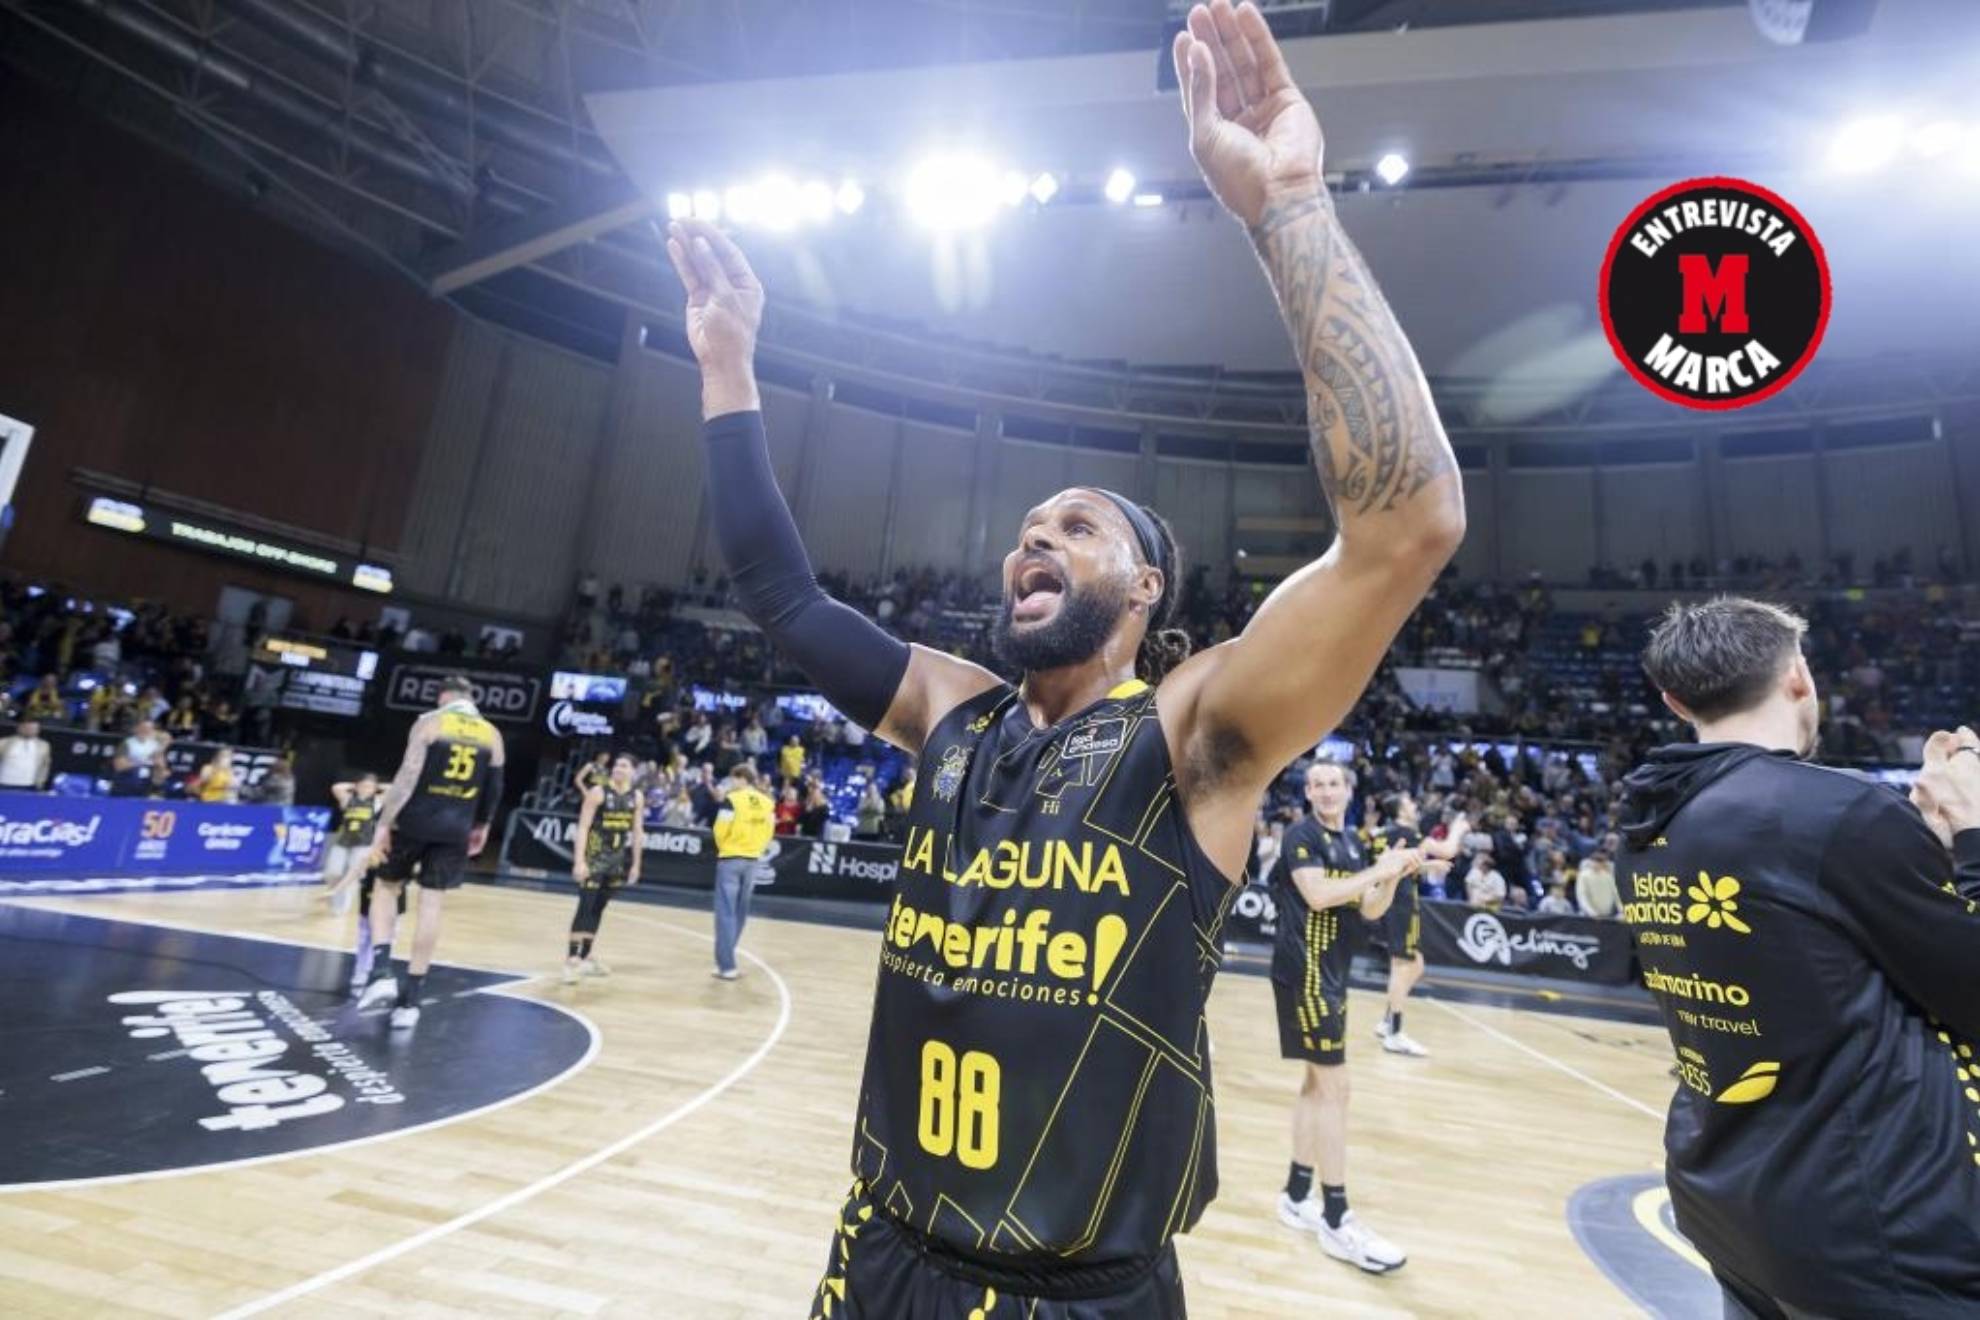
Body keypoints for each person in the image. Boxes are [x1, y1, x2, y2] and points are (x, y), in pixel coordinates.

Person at [668, 0, 1464, 1303]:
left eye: (1078, 529)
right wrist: (727, 366)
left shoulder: (1195, 735)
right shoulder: (953, 709)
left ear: (1148, 586)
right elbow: (778, 589)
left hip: (1076, 1289)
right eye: (1027, 530)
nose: (1033, 542)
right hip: (877, 1260)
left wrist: (1289, 209)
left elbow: (1407, 523)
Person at [1618, 598, 1980, 1317]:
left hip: (1731, 1203)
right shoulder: (1839, 811)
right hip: (1872, 1230)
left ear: (1675, 699)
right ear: (1798, 675)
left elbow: (1817, 958)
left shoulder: (1645, 826)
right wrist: (1972, 835)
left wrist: (1921, 857)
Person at [1269, 760, 1421, 1272]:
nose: (1326, 790)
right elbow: (1318, 895)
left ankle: (1295, 1195)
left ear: (1348, 790)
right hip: (1304, 972)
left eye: (1334, 783)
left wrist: (1393, 877)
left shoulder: (1354, 843)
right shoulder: (1301, 837)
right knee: (1337, 1089)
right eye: (1317, 784)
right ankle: (1336, 1218)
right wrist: (1378, 870)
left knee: (1316, 1087)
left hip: (1333, 975)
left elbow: (1369, 910)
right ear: (1308, 792)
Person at [358, 675, 506, 1028]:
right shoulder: (492, 735)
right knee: (431, 904)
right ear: (472, 699)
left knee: (386, 887)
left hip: (414, 822)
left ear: (444, 696)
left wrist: (383, 822)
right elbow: (495, 787)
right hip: (456, 828)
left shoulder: (430, 722)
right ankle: (411, 1002)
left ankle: (380, 973)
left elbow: (408, 775)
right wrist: (482, 826)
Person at [1365, 793, 1464, 1058]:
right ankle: (1394, 1033)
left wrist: (1430, 864)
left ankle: (1387, 1022)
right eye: (1409, 802)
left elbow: (1397, 868)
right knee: (1403, 965)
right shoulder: (1407, 832)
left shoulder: (1386, 834)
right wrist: (1458, 828)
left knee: (1415, 963)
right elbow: (1449, 849)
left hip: (1389, 900)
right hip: (1401, 903)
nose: (1414, 805)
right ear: (1400, 810)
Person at [565, 751, 644, 984]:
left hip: (617, 861)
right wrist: (579, 861)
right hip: (594, 858)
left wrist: (636, 864)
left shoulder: (637, 797)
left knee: (599, 908)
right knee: (585, 906)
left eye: (624, 765)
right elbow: (582, 827)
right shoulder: (598, 792)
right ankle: (571, 960)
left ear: (633, 771)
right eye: (616, 765)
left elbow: (638, 832)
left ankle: (586, 956)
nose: (618, 768)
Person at [710, 763, 775, 980]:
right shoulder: (767, 803)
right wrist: (755, 849)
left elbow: (720, 829)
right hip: (753, 860)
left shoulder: (732, 799)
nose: (731, 783)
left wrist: (726, 847)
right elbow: (769, 830)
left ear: (740, 778)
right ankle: (726, 959)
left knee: (725, 913)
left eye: (733, 779)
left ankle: (727, 966)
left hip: (731, 858)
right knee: (740, 912)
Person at [323, 773, 383, 920]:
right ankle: (333, 896)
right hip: (343, 841)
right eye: (363, 785)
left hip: (363, 844)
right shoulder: (348, 799)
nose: (366, 789)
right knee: (332, 872)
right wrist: (354, 785)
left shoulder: (376, 801)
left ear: (375, 789)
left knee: (352, 876)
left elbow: (393, 789)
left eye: (369, 786)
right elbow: (336, 787)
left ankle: (340, 908)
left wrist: (377, 787)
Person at [111, 718, 169, 797]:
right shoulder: (128, 743)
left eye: (149, 729)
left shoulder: (155, 745)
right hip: (126, 783)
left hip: (145, 785)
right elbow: (119, 766)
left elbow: (161, 767)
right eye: (143, 728)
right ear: (136, 729)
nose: (145, 731)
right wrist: (142, 762)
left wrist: (160, 768)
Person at [0, 718, 52, 791]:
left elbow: (45, 765)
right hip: (4, 783)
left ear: (38, 730)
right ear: (19, 728)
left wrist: (40, 782)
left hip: (29, 785)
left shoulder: (44, 745)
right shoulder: (3, 742)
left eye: (33, 728)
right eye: (26, 728)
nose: (29, 730)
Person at [1574, 841, 1619, 919]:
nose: (1597, 864)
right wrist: (1591, 912)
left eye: (1601, 861)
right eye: (1596, 861)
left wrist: (1622, 911)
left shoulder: (1608, 876)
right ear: (1591, 861)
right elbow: (1582, 895)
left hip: (1606, 915)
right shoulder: (1583, 875)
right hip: (1588, 916)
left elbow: (1616, 894)